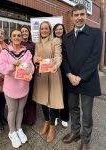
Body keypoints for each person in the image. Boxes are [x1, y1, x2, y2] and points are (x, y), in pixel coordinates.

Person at [61, 4, 103, 150]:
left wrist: (80, 77)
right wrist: (69, 74)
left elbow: (95, 57)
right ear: (72, 17)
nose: (79, 17)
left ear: (86, 15)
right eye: (76, 15)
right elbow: (64, 58)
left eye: (82, 14)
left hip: (88, 80)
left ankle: (85, 140)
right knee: (73, 108)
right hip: (71, 80)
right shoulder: (66, 37)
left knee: (87, 113)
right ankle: (75, 132)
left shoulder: (96, 33)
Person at [0, 29, 34, 148]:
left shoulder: (27, 52)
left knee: (20, 110)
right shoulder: (5, 52)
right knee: (12, 111)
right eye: (14, 35)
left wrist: (30, 69)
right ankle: (12, 132)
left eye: (19, 35)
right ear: (11, 37)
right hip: (10, 87)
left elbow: (31, 65)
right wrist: (13, 65)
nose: (17, 37)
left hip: (24, 86)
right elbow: (1, 68)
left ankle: (19, 129)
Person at [32, 21, 64, 143]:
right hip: (41, 74)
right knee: (42, 99)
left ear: (50, 30)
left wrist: (56, 64)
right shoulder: (37, 43)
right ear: (39, 31)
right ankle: (46, 122)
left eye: (46, 28)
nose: (44, 30)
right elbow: (35, 56)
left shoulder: (55, 41)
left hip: (53, 73)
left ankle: (52, 127)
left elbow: (58, 56)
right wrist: (35, 59)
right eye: (42, 29)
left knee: (53, 100)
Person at [53, 24, 69, 128]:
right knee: (54, 94)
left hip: (65, 71)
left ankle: (64, 117)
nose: (59, 31)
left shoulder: (67, 41)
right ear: (54, 31)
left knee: (64, 95)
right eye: (57, 29)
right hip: (54, 70)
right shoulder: (52, 41)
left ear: (63, 30)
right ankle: (54, 116)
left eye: (61, 29)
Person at [20, 25, 36, 125]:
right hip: (20, 74)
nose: (24, 33)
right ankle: (21, 118)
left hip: (30, 73)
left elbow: (35, 58)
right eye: (22, 31)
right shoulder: (16, 43)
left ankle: (31, 119)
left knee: (30, 96)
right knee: (21, 96)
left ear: (29, 33)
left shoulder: (33, 44)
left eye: (26, 31)